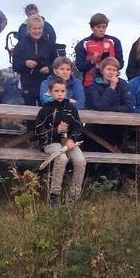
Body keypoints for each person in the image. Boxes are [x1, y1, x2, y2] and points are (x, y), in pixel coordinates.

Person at [35, 77, 87, 206]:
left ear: (66, 92)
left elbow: (78, 127)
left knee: (80, 161)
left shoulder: (71, 108)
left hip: (67, 142)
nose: (59, 94)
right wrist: (55, 130)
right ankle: (54, 194)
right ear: (50, 92)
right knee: (62, 159)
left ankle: (74, 196)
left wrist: (72, 139)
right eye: (56, 91)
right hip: (50, 142)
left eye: (62, 91)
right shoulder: (45, 109)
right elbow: (37, 131)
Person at [11, 15, 55, 106]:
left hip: (46, 83)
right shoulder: (21, 44)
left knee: (46, 109)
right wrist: (25, 63)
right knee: (29, 110)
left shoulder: (49, 44)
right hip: (28, 83)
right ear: (29, 29)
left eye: (39, 28)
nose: (37, 31)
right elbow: (15, 65)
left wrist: (49, 68)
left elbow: (56, 63)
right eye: (34, 28)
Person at [75, 13, 124, 88]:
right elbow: (80, 66)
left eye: (104, 27)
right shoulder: (83, 44)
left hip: (111, 83)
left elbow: (120, 63)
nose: (101, 30)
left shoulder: (114, 41)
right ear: (92, 28)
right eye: (98, 27)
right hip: (90, 84)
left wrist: (110, 65)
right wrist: (92, 61)